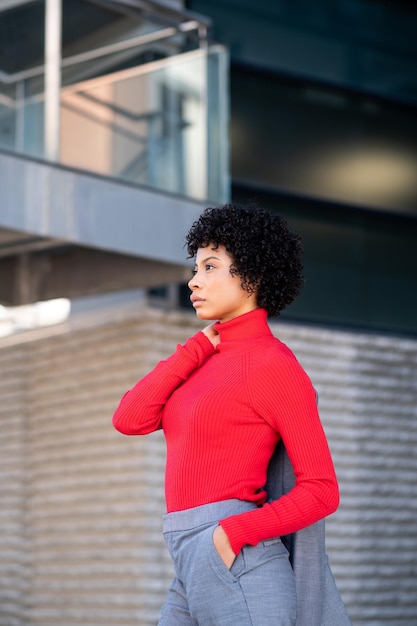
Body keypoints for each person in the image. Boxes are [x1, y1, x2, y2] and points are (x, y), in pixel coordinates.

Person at [112, 204, 340, 626]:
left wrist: (233, 533)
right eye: (195, 267)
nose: (194, 281)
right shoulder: (203, 359)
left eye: (210, 266)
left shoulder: (272, 363)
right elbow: (130, 418)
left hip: (239, 562)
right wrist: (196, 348)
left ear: (251, 275)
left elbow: (322, 489)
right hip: (190, 561)